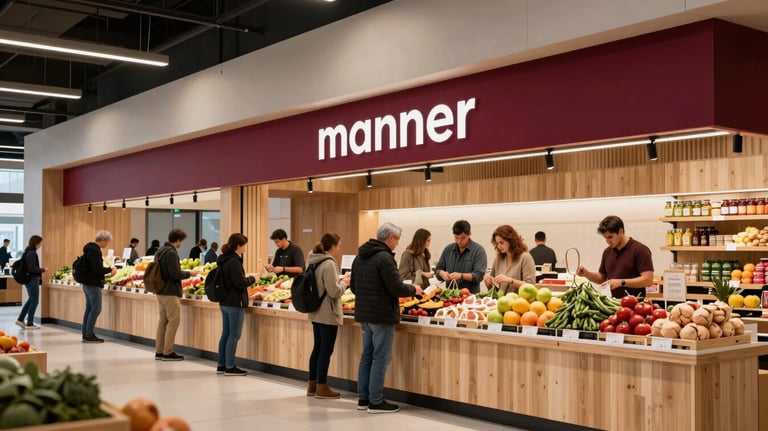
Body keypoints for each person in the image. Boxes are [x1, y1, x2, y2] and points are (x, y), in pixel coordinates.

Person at [352, 222, 421, 414]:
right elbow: (396, 288)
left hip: (364, 314)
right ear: (390, 238)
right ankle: (376, 401)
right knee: (380, 358)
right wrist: (414, 289)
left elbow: (353, 288)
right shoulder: (385, 258)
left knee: (367, 356)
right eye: (397, 239)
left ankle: (363, 399)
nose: (398, 244)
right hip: (381, 315)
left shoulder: (360, 257)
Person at [306, 232, 350, 399]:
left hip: (316, 310)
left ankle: (312, 384)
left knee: (317, 348)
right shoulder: (329, 263)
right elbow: (333, 291)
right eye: (338, 245)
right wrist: (345, 284)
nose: (339, 248)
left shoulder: (313, 260)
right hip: (328, 312)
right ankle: (322, 386)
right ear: (333, 245)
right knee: (326, 350)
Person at [576, 215, 654, 298]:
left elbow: (648, 280)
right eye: (605, 238)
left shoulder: (640, 250)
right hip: (612, 305)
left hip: (635, 306)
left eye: (610, 237)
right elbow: (601, 278)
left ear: (621, 231)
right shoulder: (607, 252)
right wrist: (587, 274)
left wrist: (622, 282)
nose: (608, 241)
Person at [216, 234, 256, 376]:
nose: (245, 248)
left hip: (225, 302)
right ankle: (230, 366)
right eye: (244, 245)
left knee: (226, 334)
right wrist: (252, 278)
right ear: (238, 246)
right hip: (235, 303)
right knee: (234, 335)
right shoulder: (234, 261)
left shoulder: (224, 259)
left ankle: (221, 364)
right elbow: (239, 283)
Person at [155, 229, 199, 360]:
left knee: (163, 321)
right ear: (178, 240)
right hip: (170, 291)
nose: (181, 244)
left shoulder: (160, 251)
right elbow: (175, 273)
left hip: (160, 291)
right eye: (182, 241)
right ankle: (168, 352)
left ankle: (159, 350)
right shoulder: (171, 253)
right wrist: (189, 273)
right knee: (174, 321)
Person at [79, 231, 117, 343]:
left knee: (89, 308)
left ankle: (85, 333)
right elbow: (97, 269)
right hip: (93, 284)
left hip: (87, 283)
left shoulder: (89, 249)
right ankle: (89, 334)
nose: (107, 244)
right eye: (108, 242)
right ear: (103, 240)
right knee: (96, 309)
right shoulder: (95, 251)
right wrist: (110, 270)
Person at [435, 220, 487, 294]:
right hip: (450, 296)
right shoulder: (448, 249)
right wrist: (441, 273)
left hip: (470, 297)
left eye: (462, 238)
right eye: (456, 238)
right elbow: (438, 269)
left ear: (469, 234)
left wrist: (461, 276)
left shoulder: (478, 250)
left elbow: (479, 276)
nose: (459, 241)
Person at [483, 225, 536, 294]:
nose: (499, 246)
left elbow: (531, 286)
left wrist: (511, 281)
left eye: (502, 243)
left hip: (519, 302)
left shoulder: (525, 257)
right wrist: (488, 282)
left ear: (511, 241)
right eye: (497, 243)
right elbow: (494, 287)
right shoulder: (498, 258)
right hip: (501, 301)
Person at [15, 235, 47, 329]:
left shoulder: (27, 252)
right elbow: (32, 268)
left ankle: (20, 319)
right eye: (40, 243)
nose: (41, 245)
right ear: (36, 243)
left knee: (31, 300)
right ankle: (30, 322)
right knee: (35, 301)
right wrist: (43, 269)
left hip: (28, 279)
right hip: (32, 279)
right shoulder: (32, 253)